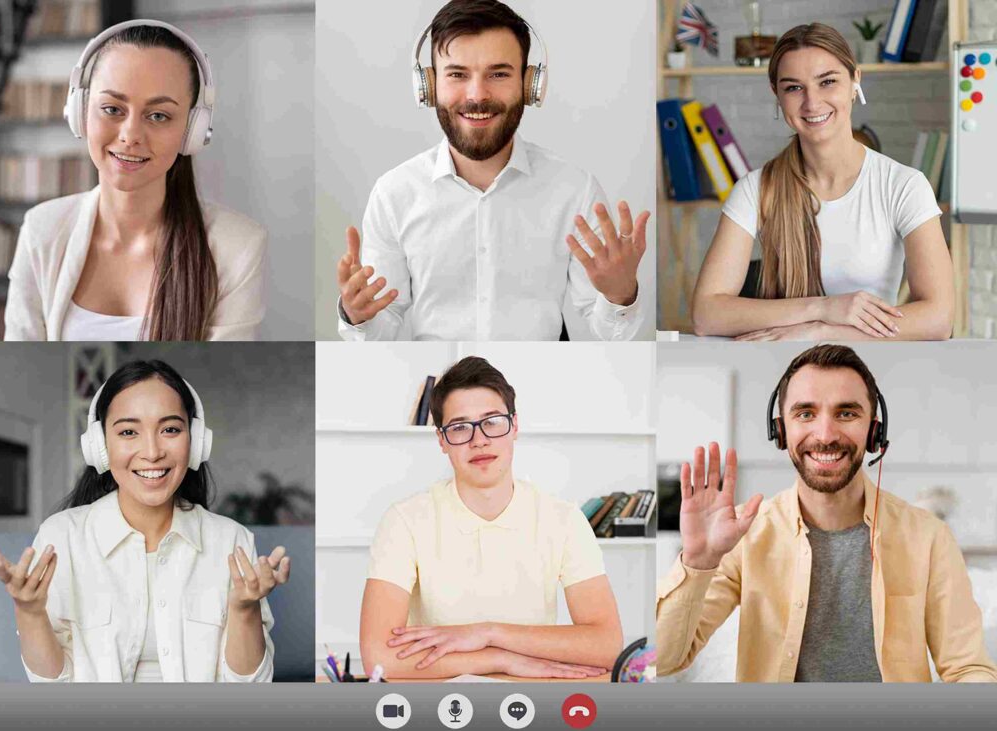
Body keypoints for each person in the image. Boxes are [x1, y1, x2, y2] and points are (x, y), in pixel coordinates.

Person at [656, 345, 996, 682]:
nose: (826, 435)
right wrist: (698, 561)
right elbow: (665, 660)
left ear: (875, 431)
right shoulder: (744, 533)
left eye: (846, 413)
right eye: (805, 413)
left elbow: (968, 668)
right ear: (780, 430)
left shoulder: (928, 536)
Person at [336, 0, 649, 341]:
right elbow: (381, 331)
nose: (477, 95)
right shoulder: (394, 193)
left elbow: (613, 336)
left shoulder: (575, 190)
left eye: (498, 74)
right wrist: (358, 318)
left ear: (530, 85)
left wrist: (620, 296)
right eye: (457, 74)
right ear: (428, 85)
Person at [0, 360, 290, 682]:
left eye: (170, 429)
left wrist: (244, 610)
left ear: (196, 441)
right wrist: (30, 613)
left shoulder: (231, 541)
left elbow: (250, 685)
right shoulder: (62, 536)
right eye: (129, 432)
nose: (153, 451)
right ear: (99, 447)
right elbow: (54, 687)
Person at [359, 356, 623, 679]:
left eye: (492, 421)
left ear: (515, 426)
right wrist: (500, 660)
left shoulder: (564, 519)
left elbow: (608, 645)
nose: (479, 439)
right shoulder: (404, 520)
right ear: (441, 440)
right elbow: (379, 658)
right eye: (459, 427)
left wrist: (488, 633)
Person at [4, 21, 267, 341]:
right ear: (80, 111)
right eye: (112, 109)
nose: (130, 136)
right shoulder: (42, 230)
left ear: (193, 131)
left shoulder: (236, 247)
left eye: (158, 115)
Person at [690, 23, 954, 341]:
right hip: (780, 365)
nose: (812, 103)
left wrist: (822, 332)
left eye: (827, 82)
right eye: (793, 88)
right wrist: (821, 309)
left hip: (873, 366)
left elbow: (939, 318)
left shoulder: (903, 186)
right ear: (777, 95)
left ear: (855, 81)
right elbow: (706, 314)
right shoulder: (755, 189)